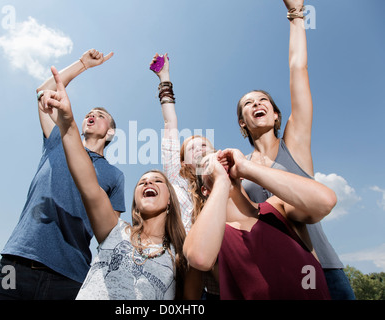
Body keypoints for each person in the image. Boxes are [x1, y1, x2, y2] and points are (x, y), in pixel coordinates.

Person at [39, 66, 201, 300]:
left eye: (157, 181)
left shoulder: (182, 256)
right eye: (142, 182)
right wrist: (68, 122)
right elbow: (88, 183)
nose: (148, 182)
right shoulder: (113, 230)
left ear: (170, 200)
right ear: (134, 201)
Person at [236, 0, 355, 299]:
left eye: (263, 100)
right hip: (274, 274)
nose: (257, 104)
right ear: (243, 123)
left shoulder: (294, 145)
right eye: (248, 103)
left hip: (324, 270)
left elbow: (297, 67)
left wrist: (296, 13)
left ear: (276, 115)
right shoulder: (239, 167)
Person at [0, 49, 126, 300]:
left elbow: (109, 233)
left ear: (110, 133)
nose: (91, 115)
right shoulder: (57, 140)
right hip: (16, 262)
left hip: (69, 276)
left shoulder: (114, 176)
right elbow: (43, 92)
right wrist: (82, 64)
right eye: (88, 113)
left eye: (100, 115)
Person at [184, 149, 337, 300]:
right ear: (204, 190)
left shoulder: (278, 206)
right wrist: (221, 182)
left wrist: (245, 166)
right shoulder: (209, 236)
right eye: (207, 165)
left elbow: (325, 201)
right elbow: (200, 258)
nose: (216, 164)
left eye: (219, 159)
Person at [150, 54, 219, 299]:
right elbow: (170, 124)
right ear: (181, 161)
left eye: (205, 146)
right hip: (176, 272)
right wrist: (164, 78)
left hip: (218, 282)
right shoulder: (175, 177)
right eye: (193, 147)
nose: (200, 149)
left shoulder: (224, 185)